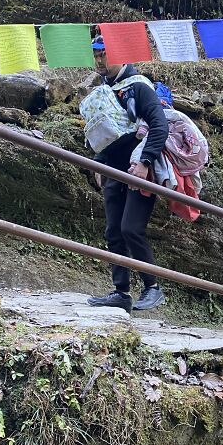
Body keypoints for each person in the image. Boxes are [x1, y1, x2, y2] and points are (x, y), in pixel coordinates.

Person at [86, 37, 169, 312]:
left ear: (121, 54)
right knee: (113, 232)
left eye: (104, 55)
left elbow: (159, 126)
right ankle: (121, 292)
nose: (99, 61)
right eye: (96, 55)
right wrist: (99, 163)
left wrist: (145, 162)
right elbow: (103, 133)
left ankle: (152, 288)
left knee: (131, 228)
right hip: (112, 169)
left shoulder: (139, 87)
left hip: (138, 168)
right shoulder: (104, 90)